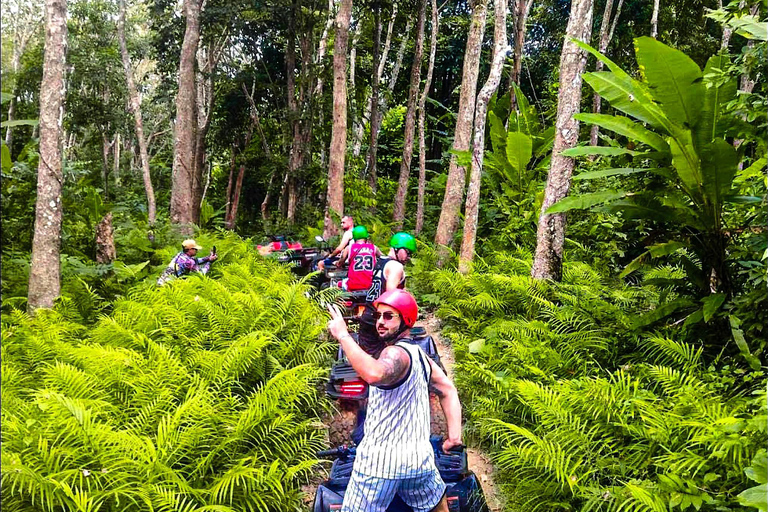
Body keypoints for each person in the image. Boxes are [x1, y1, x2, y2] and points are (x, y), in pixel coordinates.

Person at [326, 289, 462, 512]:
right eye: (379, 316)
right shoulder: (421, 356)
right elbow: (448, 389)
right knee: (439, 506)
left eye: (389, 317)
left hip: (378, 467)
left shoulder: (395, 355)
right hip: (419, 463)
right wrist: (453, 438)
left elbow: (375, 374)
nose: (380, 322)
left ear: (406, 320)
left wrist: (343, 335)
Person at [364, 231, 417, 303]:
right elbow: (390, 297)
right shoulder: (396, 266)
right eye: (407, 252)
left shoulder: (380, 261)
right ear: (397, 248)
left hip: (369, 308)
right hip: (381, 311)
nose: (408, 257)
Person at [338, 225, 381, 291]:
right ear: (366, 237)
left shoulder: (349, 248)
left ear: (354, 237)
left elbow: (340, 263)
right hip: (370, 285)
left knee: (337, 284)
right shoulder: (374, 248)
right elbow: (383, 258)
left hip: (352, 285)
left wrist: (337, 263)